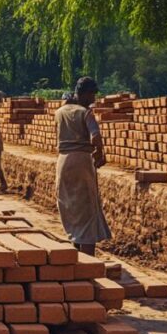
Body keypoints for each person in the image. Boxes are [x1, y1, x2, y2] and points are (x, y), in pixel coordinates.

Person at [54, 77, 110, 256]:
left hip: (63, 161)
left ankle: (77, 254)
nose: (93, 100)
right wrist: (100, 154)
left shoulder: (60, 112)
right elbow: (95, 137)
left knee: (70, 206)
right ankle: (88, 261)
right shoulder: (85, 113)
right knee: (86, 211)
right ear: (85, 93)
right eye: (92, 95)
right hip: (82, 161)